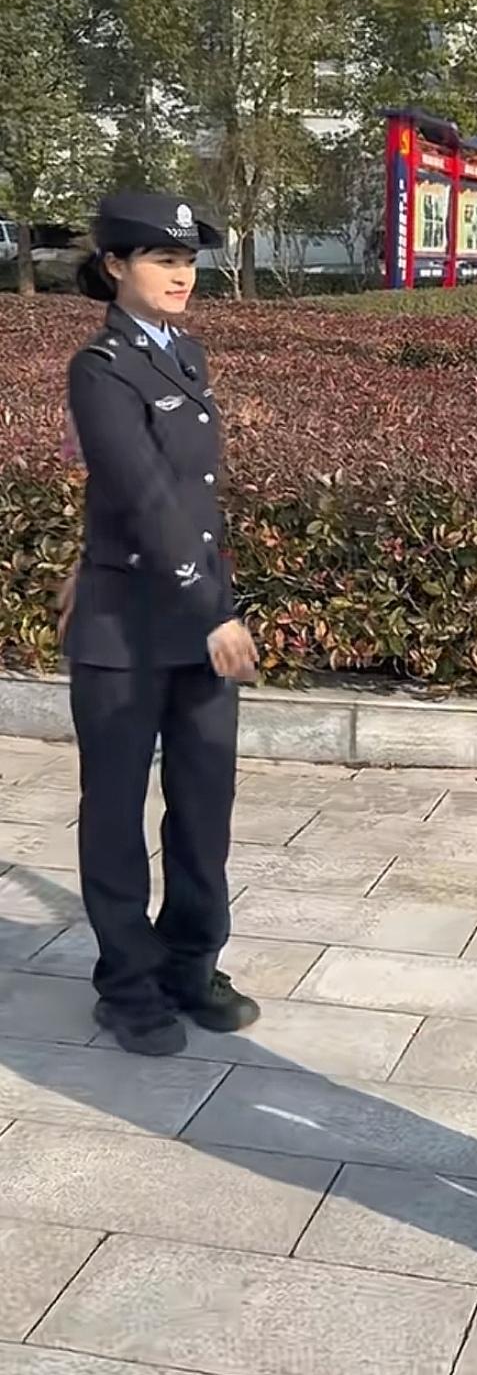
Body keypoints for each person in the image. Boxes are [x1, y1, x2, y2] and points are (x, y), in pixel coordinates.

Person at [62, 189, 260, 1058]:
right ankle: (128, 983)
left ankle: (190, 962)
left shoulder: (186, 352)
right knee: (115, 812)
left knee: (204, 804)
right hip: (127, 631)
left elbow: (183, 494)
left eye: (187, 261)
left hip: (193, 622)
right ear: (115, 265)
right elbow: (139, 491)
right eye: (161, 259)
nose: (181, 275)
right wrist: (214, 611)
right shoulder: (99, 368)